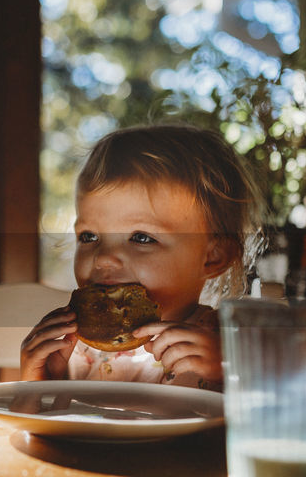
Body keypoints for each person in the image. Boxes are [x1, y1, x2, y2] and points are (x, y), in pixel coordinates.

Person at [20, 124, 263, 392]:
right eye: (89, 237)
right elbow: (47, 427)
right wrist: (38, 383)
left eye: (141, 238)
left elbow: (277, 415)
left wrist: (230, 373)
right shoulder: (76, 346)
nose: (103, 259)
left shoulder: (229, 344)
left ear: (212, 258)